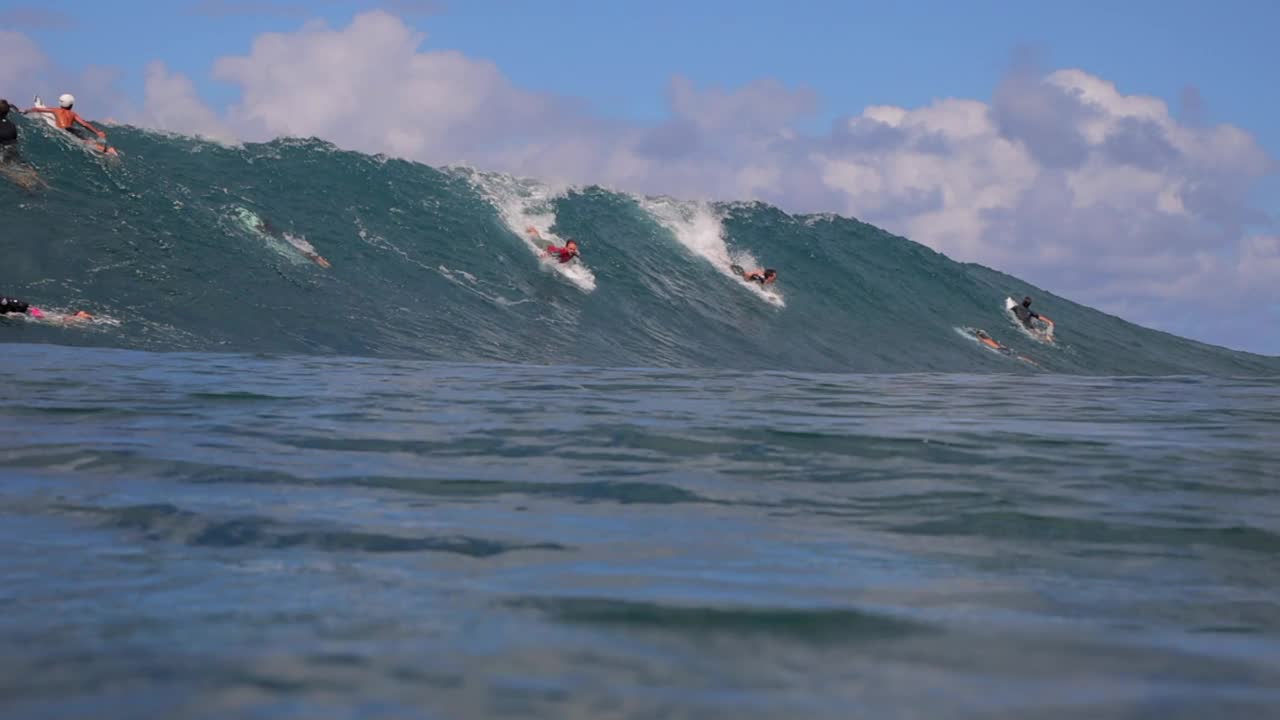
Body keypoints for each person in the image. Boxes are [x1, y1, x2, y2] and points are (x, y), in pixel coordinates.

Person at [23, 94, 115, 155]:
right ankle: (107, 149)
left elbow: (39, 109)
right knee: (86, 140)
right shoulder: (73, 114)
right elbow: (84, 124)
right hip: (72, 129)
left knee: (84, 142)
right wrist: (97, 132)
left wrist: (27, 110)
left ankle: (107, 150)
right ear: (71, 105)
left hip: (64, 130)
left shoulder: (56, 110)